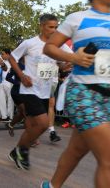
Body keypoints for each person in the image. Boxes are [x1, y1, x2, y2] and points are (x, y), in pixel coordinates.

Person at [41, 0, 110, 188]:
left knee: (76, 151)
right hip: (83, 95)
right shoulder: (77, 19)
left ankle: (51, 186)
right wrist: (73, 56)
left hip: (108, 97)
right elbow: (49, 47)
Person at [7, 13, 69, 170]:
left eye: (56, 27)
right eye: (51, 27)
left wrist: (66, 66)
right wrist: (21, 76)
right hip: (29, 90)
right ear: (41, 26)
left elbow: (61, 65)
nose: (54, 30)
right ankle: (23, 150)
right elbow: (12, 58)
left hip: (45, 90)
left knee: (36, 126)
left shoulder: (58, 46)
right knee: (42, 124)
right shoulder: (30, 43)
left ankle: (18, 151)